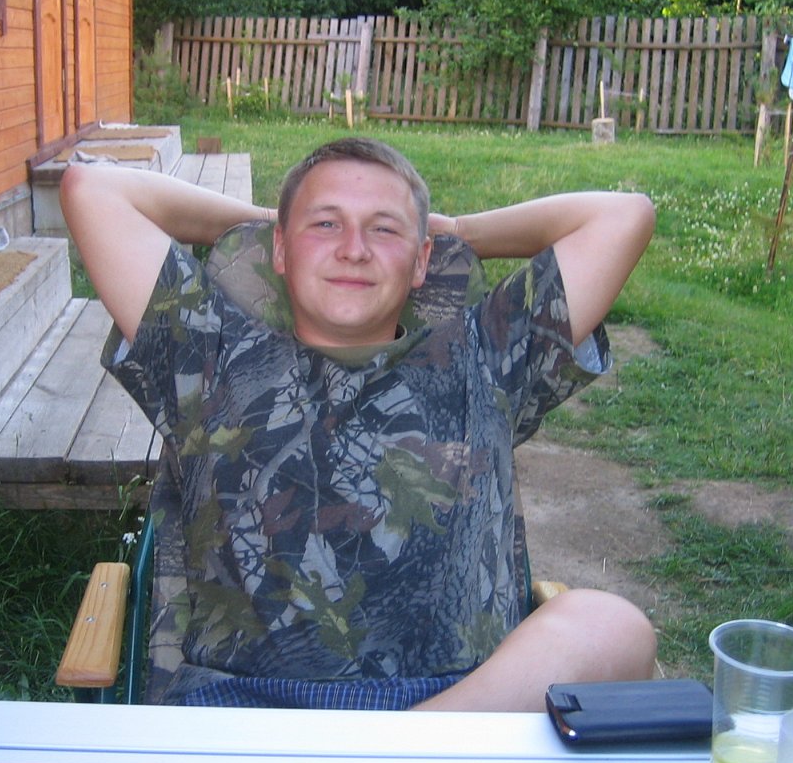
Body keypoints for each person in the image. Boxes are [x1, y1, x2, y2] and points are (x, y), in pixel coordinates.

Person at [62, 137, 657, 711]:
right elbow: (93, 189)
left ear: (422, 260)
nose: (353, 249)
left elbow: (622, 216)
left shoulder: (487, 353)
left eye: (384, 229)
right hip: (243, 711)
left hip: (456, 708)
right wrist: (262, 222)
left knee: (611, 624)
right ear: (280, 251)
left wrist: (461, 232)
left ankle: (394, 756)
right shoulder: (206, 347)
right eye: (325, 224)